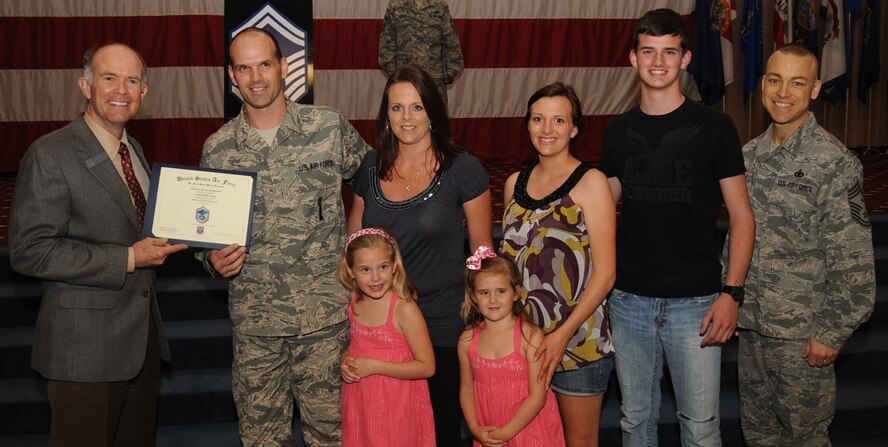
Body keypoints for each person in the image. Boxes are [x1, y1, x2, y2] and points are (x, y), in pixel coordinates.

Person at [8, 42, 188, 446]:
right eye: (109, 78)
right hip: (83, 350)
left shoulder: (133, 150)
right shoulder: (50, 153)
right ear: (85, 86)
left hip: (140, 343)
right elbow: (29, 249)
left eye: (131, 80)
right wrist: (128, 257)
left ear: (144, 92)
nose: (120, 90)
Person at [198, 27, 370, 446]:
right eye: (244, 67)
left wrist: (355, 243)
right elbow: (204, 232)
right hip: (257, 329)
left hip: (325, 323)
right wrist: (210, 260)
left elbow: (374, 185)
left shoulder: (327, 126)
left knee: (333, 437)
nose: (256, 77)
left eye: (264, 64)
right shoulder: (218, 149)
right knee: (261, 440)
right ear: (232, 76)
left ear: (283, 67)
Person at [598, 8, 755, 447]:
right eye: (649, 51)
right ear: (633, 58)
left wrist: (732, 293)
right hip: (629, 301)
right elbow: (601, 210)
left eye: (670, 51)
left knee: (701, 427)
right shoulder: (616, 130)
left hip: (697, 303)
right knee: (635, 422)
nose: (659, 61)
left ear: (686, 59)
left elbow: (742, 215)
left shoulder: (716, 127)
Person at [737, 42, 875, 447]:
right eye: (776, 80)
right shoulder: (749, 156)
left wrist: (831, 332)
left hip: (801, 336)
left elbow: (854, 263)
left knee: (805, 439)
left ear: (814, 89)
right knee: (758, 435)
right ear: (763, 84)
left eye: (797, 83)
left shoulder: (834, 162)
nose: (783, 92)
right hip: (753, 330)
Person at [347, 64, 493, 446]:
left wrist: (486, 315)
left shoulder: (463, 168)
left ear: (432, 111)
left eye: (416, 107)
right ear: (386, 114)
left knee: (439, 430)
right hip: (380, 330)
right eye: (397, 108)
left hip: (441, 324)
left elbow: (482, 254)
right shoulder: (369, 167)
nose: (406, 118)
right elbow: (353, 247)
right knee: (387, 430)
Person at [501, 82, 616, 447]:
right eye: (538, 119)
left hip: (578, 344)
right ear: (528, 125)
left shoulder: (591, 182)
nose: (547, 129)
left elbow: (607, 273)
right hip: (524, 343)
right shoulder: (512, 184)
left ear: (574, 128)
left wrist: (560, 336)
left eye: (558, 120)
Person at [458, 247, 566, 447]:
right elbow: (466, 390)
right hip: (488, 430)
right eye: (484, 292)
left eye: (501, 291)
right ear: (473, 297)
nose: (492, 300)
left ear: (516, 293)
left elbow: (537, 396)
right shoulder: (467, 341)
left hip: (528, 428)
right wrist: (475, 428)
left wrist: (505, 433)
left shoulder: (529, 336)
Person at [338, 227, 436, 446]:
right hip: (360, 402)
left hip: (398, 405)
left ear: (394, 266)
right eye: (365, 269)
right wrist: (344, 360)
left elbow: (427, 366)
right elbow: (355, 347)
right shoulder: (353, 303)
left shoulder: (404, 309)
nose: (375, 277)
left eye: (382, 267)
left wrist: (374, 367)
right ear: (351, 270)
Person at [379, 0, 464, 103]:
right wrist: (395, 75)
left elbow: (451, 42)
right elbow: (386, 44)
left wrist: (451, 71)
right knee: (405, 116)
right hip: (405, 79)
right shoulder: (396, 6)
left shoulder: (439, 6)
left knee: (435, 117)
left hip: (433, 81)